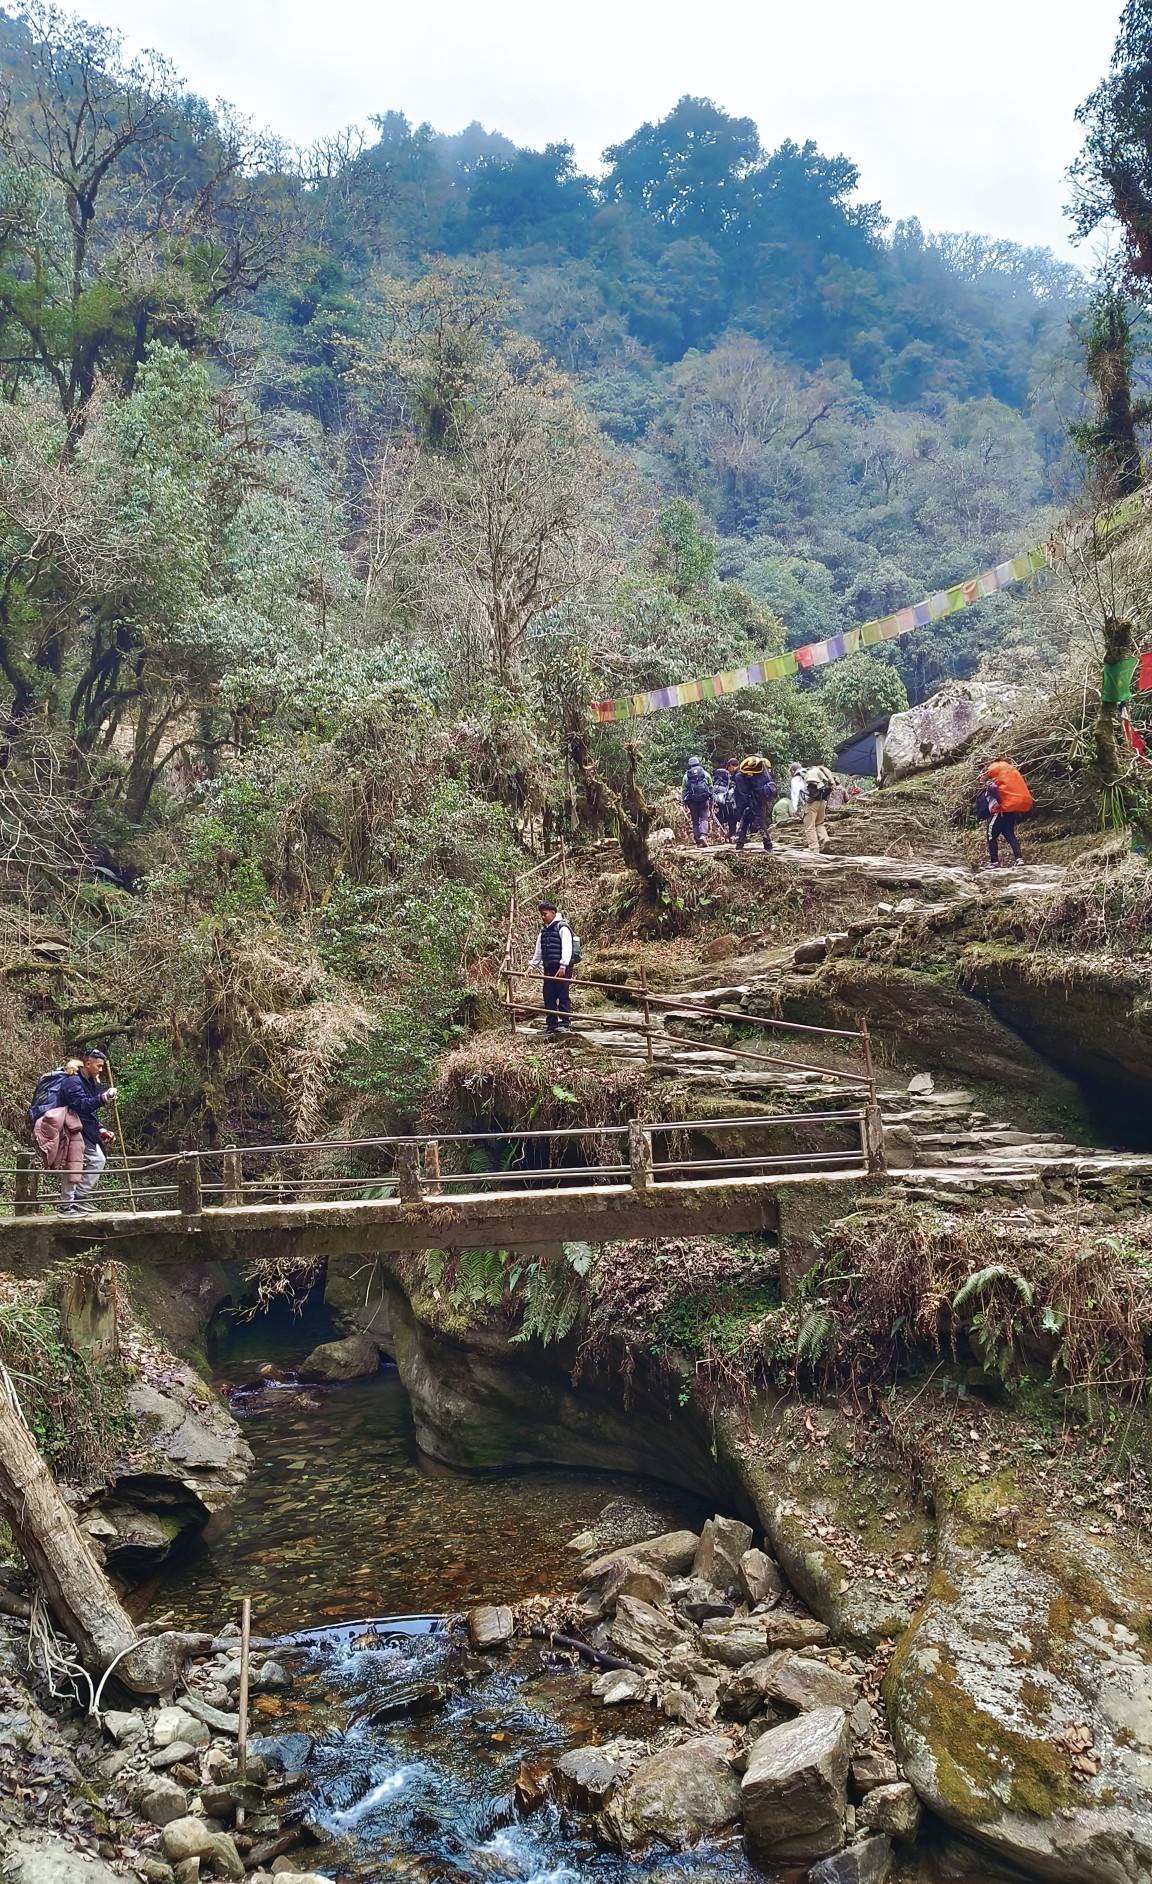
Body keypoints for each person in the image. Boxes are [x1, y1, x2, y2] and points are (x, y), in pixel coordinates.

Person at [56, 1048, 117, 1213]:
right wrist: (103, 1098)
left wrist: (101, 1129)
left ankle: (78, 1198)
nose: (101, 1069)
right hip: (71, 1129)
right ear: (87, 1064)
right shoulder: (72, 1082)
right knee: (72, 1164)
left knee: (97, 1159)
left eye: (102, 1066)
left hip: (84, 1130)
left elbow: (90, 1113)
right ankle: (66, 1206)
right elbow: (81, 1106)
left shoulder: (91, 1083)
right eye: (98, 1066)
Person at [528, 899, 574, 1036]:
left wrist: (563, 965)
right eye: (541, 914)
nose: (543, 917)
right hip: (548, 968)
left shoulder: (562, 927)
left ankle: (565, 1023)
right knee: (549, 996)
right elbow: (539, 952)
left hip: (561, 968)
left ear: (553, 913)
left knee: (562, 995)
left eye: (545, 914)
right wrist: (531, 967)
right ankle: (551, 1025)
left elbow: (567, 947)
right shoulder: (543, 932)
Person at [980, 761, 1033, 868]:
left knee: (991, 836)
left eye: (981, 775)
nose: (979, 777)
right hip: (1009, 812)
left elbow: (994, 789)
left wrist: (999, 802)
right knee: (1010, 835)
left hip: (999, 813)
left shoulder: (991, 784)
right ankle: (1019, 859)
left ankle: (994, 862)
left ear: (986, 774)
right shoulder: (999, 783)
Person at [734, 755, 777, 851]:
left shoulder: (740, 776)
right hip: (758, 799)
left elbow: (743, 792)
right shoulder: (758, 773)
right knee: (748, 821)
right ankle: (740, 844)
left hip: (751, 802)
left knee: (757, 822)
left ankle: (766, 843)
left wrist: (746, 804)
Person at [801, 764, 836, 854]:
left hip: (812, 802)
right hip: (821, 802)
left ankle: (814, 849)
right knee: (819, 823)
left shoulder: (811, 772)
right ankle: (825, 839)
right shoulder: (824, 774)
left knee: (810, 826)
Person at [681, 756, 714, 847]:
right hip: (704, 800)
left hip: (692, 801)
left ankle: (698, 841)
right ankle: (703, 835)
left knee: (695, 821)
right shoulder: (705, 774)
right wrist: (712, 802)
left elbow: (684, 790)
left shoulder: (686, 776)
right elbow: (711, 788)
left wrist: (684, 803)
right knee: (704, 818)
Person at [712, 759, 739, 843]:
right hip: (734, 805)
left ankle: (732, 836)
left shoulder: (716, 785)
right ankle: (737, 837)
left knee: (731, 821)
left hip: (726, 808)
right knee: (738, 820)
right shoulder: (732, 781)